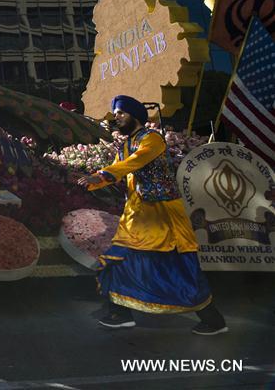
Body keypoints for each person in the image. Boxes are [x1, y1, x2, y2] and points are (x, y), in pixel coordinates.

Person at [77, 95, 227, 335]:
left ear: (135, 116)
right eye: (115, 114)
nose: (117, 118)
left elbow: (134, 163)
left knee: (178, 266)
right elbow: (122, 169)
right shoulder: (126, 145)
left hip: (163, 213)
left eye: (121, 113)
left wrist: (103, 175)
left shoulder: (153, 140)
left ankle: (213, 318)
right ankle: (120, 313)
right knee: (122, 258)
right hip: (138, 212)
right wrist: (93, 182)